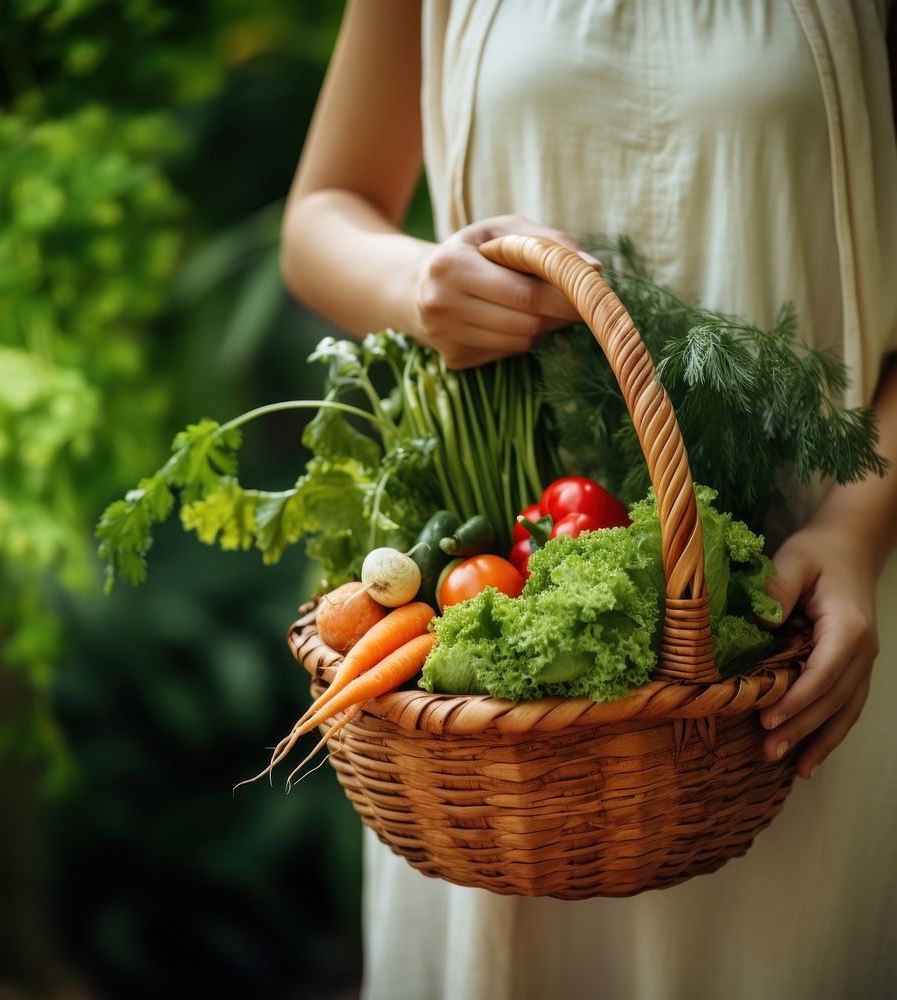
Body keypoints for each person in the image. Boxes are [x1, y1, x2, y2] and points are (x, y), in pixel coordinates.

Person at [279, 3, 897, 998]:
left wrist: (856, 532)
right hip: (503, 711)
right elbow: (321, 212)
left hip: (802, 624)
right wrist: (419, 285)